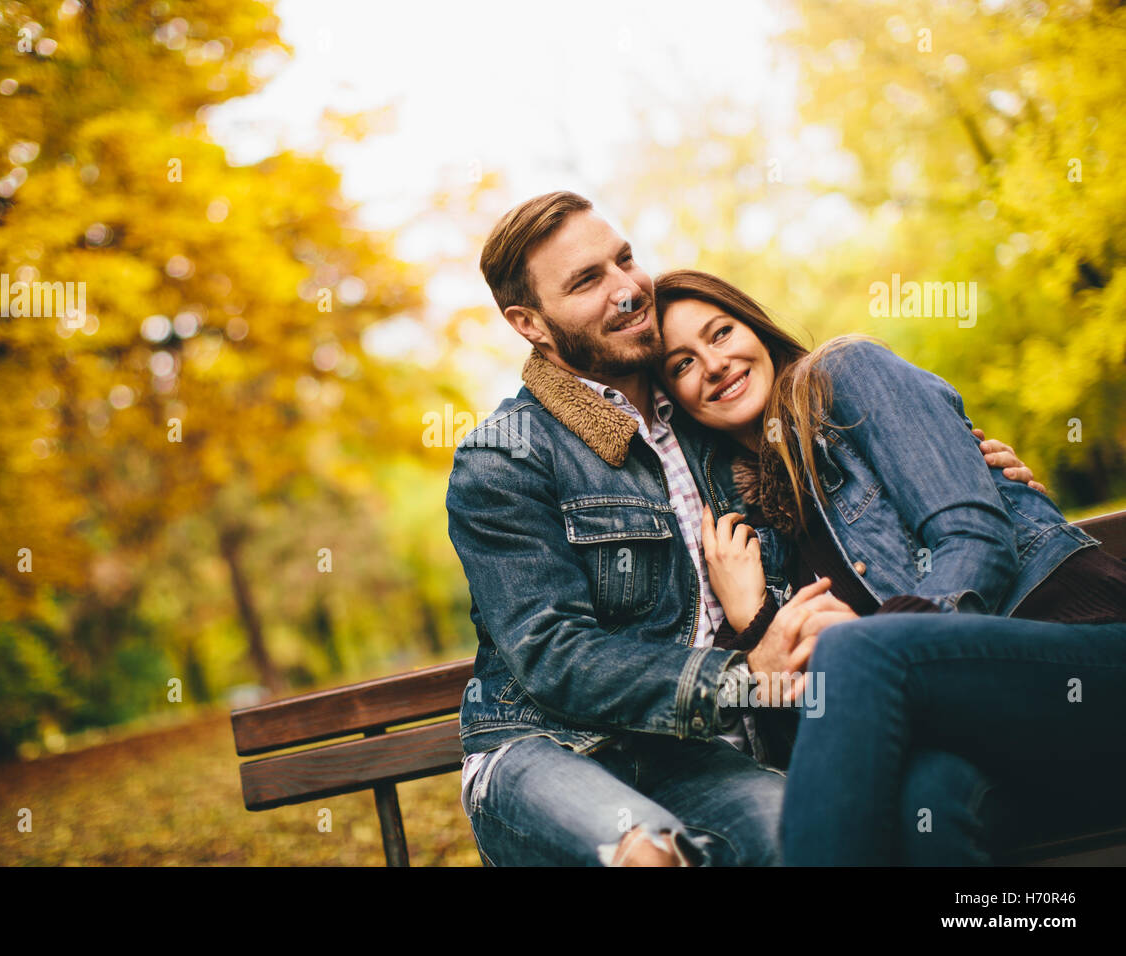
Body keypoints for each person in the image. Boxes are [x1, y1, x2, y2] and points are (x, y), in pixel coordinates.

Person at [445, 190, 1040, 866]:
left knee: (816, 840)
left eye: (625, 259)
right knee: (649, 856)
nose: (627, 290)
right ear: (530, 323)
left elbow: (841, 488)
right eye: (588, 281)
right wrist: (739, 678)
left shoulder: (710, 417)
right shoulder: (506, 455)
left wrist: (973, 468)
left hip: (695, 754)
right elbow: (554, 654)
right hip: (546, 749)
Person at [651, 268, 1126, 864]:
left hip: (1080, 657)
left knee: (857, 652)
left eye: (720, 333)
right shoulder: (749, 537)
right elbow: (815, 746)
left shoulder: (847, 379)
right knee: (926, 806)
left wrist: (880, 645)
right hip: (993, 741)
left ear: (757, 330)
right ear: (674, 402)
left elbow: (973, 537)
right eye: (682, 364)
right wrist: (755, 626)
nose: (713, 364)